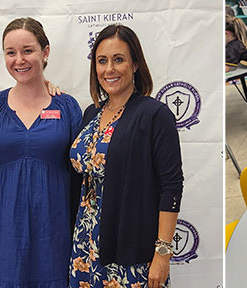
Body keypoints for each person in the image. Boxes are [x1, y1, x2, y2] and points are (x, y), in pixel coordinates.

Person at [68, 24, 183, 288]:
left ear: (135, 65)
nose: (109, 69)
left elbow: (171, 185)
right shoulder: (90, 114)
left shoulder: (155, 115)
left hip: (130, 253)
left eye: (118, 59)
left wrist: (162, 254)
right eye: (102, 61)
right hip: (85, 245)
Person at [0, 17, 82, 287]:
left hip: (53, 229)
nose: (19, 60)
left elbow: (81, 176)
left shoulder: (67, 107)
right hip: (4, 229)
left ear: (45, 52)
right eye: (11, 53)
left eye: (28, 50)